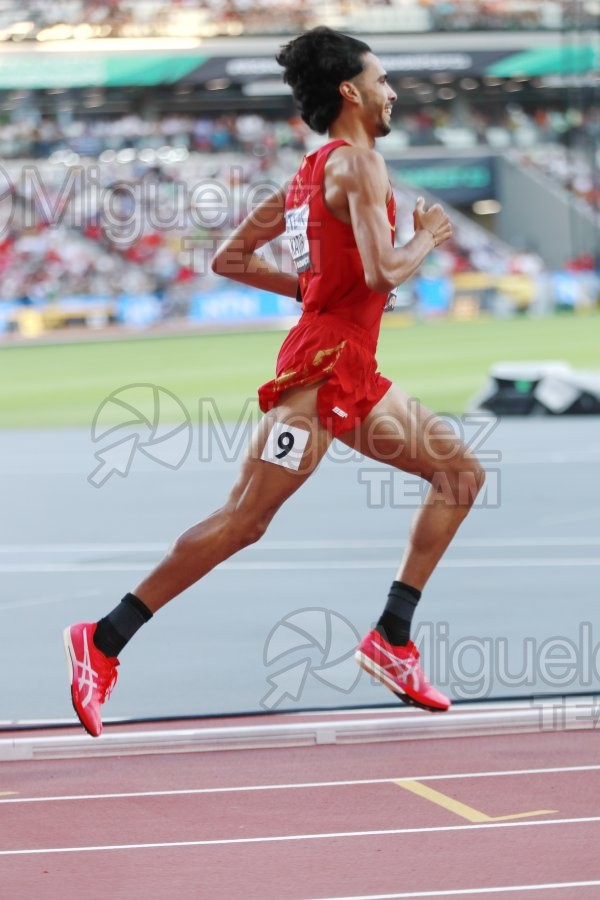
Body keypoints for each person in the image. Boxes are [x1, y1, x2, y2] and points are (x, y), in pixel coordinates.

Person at [63, 27, 485, 737]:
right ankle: (101, 642)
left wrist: (316, 288)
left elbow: (231, 259)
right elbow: (385, 271)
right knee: (244, 520)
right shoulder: (360, 163)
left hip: (349, 366)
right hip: (321, 378)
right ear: (350, 91)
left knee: (460, 475)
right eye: (383, 81)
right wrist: (428, 238)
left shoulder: (305, 174)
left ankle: (392, 636)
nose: (392, 94)